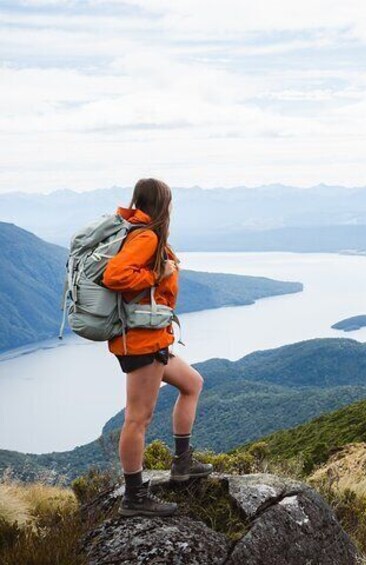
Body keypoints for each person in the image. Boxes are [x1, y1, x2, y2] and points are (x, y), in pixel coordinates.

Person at [102, 178, 212, 518]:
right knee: (138, 418)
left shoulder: (144, 233)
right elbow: (114, 275)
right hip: (141, 343)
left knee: (192, 383)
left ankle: (182, 463)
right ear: (163, 205)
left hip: (154, 338)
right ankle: (133, 497)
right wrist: (155, 274)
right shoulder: (146, 237)